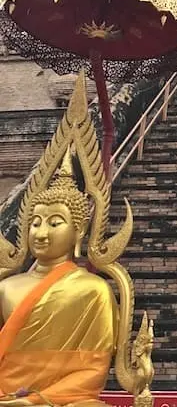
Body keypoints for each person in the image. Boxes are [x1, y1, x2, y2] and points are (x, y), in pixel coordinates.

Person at [0, 151, 117, 407]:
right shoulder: (6, 287)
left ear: (79, 231)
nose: (41, 233)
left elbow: (93, 371)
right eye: (35, 223)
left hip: (63, 400)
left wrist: (35, 400)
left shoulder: (94, 290)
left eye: (55, 223)